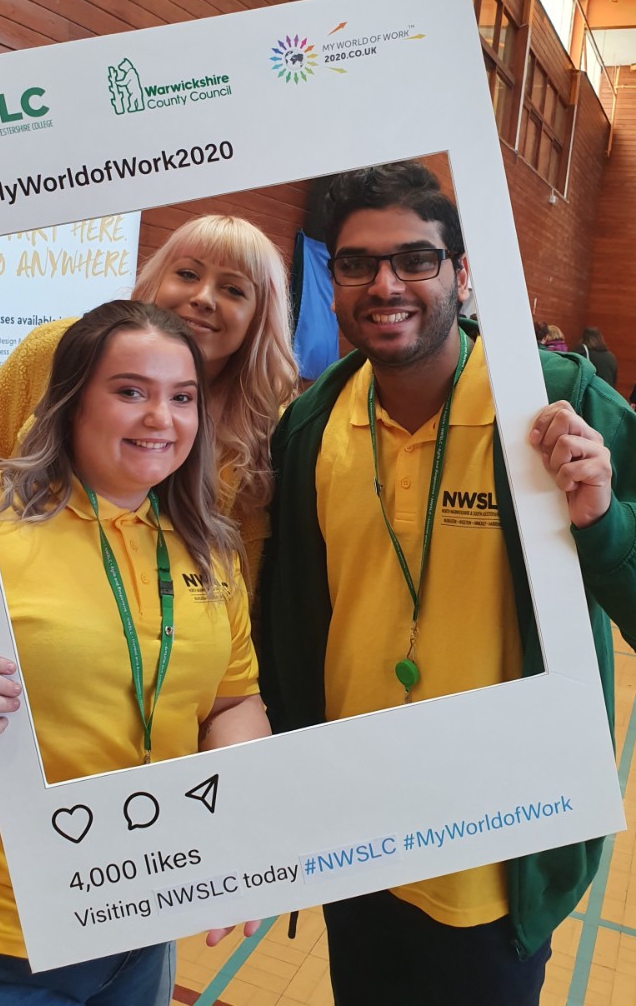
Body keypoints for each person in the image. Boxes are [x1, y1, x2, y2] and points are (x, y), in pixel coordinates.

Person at [260, 161, 636, 1005]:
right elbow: (283, 614)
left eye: (415, 259)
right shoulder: (310, 423)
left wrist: (604, 522)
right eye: (356, 263)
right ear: (331, 282)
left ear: (461, 275)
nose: (384, 284)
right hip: (352, 829)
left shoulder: (560, 404)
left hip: (492, 849)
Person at [0, 301, 270, 1006]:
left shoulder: (205, 543)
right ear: (70, 402)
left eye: (182, 396)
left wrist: (241, 822)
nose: (161, 416)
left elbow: (232, 700)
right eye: (130, 390)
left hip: (133, 923)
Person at [0, 215, 298, 600]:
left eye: (233, 290)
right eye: (188, 274)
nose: (204, 298)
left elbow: (250, 567)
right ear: (156, 279)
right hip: (21, 601)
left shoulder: (268, 416)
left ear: (259, 315)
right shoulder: (55, 349)